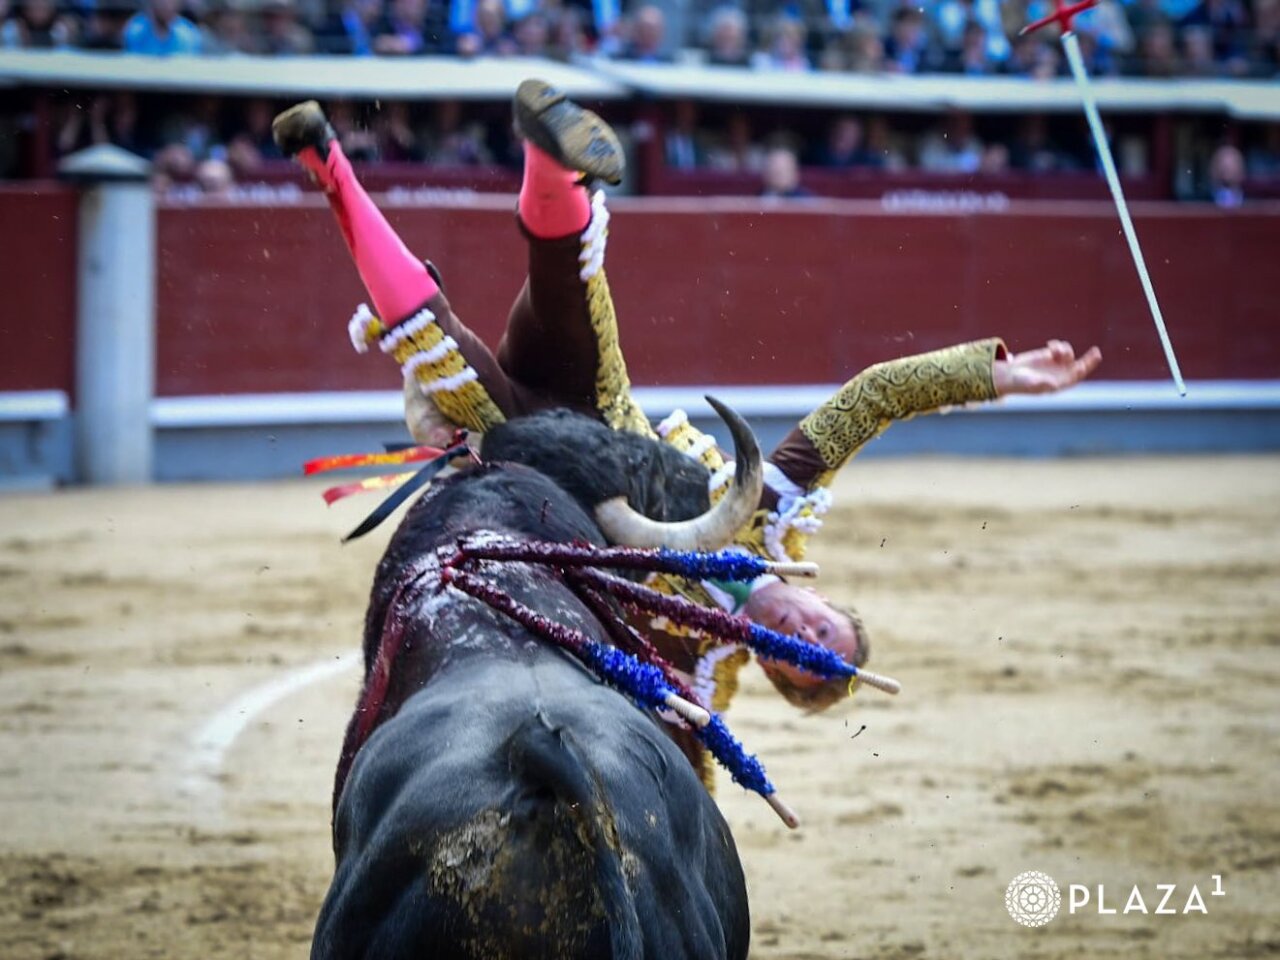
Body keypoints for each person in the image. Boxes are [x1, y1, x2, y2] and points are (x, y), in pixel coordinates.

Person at [271, 82, 1101, 783]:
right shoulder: (775, 511)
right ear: (819, 596)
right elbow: (869, 398)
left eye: (802, 662)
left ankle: (327, 163)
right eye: (825, 630)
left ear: (771, 669)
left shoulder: (696, 661)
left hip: (520, 456)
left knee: (434, 338)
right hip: (597, 403)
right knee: (568, 278)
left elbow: (681, 761)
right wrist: (997, 375)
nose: (806, 639)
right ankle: (543, 142)